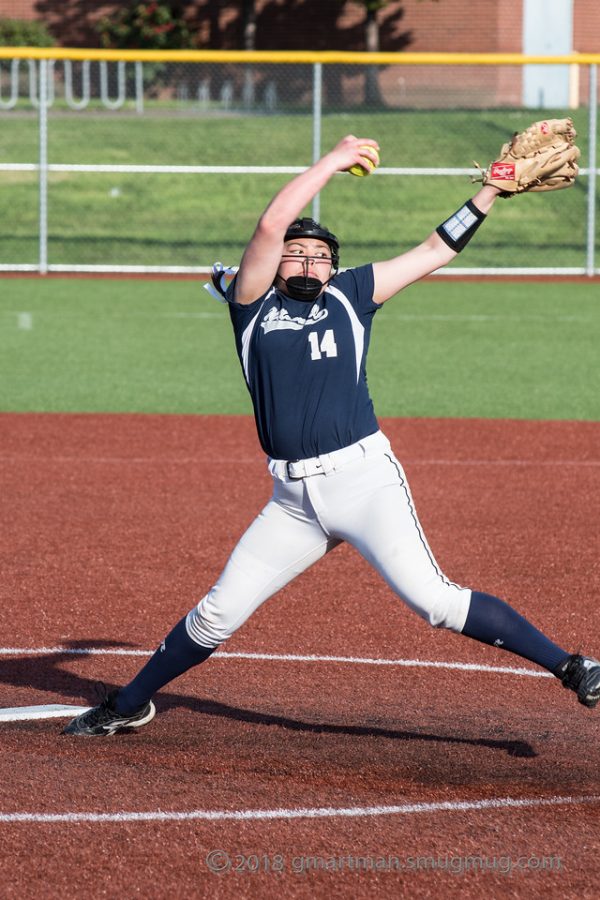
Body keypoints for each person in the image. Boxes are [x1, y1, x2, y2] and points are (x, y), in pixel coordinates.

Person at [64, 134, 599, 736]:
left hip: (364, 480)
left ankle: (573, 667)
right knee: (217, 614)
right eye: (299, 253)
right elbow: (271, 223)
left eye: (322, 256)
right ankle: (129, 704)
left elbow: (434, 250)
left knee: (435, 601)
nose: (310, 262)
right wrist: (332, 161)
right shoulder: (251, 306)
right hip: (292, 503)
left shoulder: (352, 296)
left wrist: (490, 192)